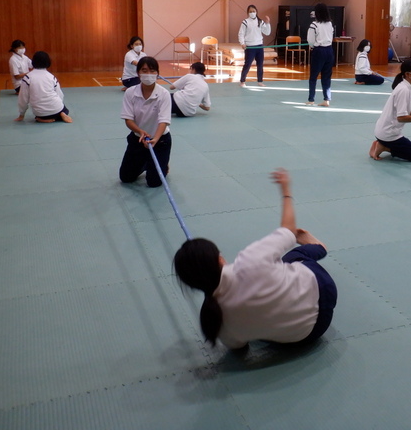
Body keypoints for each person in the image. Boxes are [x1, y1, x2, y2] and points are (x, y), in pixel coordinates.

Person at [173, 168, 337, 349]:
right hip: (324, 294)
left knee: (259, 323)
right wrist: (286, 190)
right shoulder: (251, 260)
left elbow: (238, 347)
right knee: (293, 257)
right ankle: (318, 247)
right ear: (220, 260)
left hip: (304, 336)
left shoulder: (214, 319)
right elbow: (289, 230)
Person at [119, 56, 172, 187]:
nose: (148, 74)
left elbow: (164, 121)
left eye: (152, 71)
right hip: (138, 139)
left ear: (157, 74)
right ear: (138, 73)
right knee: (126, 177)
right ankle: (146, 161)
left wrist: (155, 139)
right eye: (144, 70)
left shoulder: (164, 94)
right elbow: (128, 119)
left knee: (154, 182)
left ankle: (162, 164)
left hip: (160, 140)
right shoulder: (130, 93)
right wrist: (140, 131)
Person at [370, 59, 411, 162]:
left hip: (382, 131)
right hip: (388, 134)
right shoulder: (404, 90)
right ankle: (384, 147)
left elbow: (398, 109)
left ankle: (382, 143)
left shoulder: (405, 86)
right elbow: (401, 118)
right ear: (408, 74)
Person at [15, 51, 72, 123]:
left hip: (41, 113)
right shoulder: (51, 77)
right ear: (48, 62)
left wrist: (22, 114)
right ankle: (59, 115)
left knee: (38, 116)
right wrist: (59, 105)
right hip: (57, 108)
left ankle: (44, 119)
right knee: (65, 110)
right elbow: (60, 94)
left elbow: (23, 98)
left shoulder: (27, 78)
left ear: (33, 62)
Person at [305, 3, 335, 106]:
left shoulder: (314, 25)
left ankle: (311, 99)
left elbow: (310, 40)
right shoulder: (330, 24)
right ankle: (327, 99)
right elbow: (331, 36)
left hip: (319, 51)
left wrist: (313, 46)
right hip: (329, 50)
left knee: (313, 76)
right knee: (326, 76)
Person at [238, 4, 271, 87]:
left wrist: (267, 23)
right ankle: (242, 81)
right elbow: (241, 34)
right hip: (250, 47)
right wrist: (242, 43)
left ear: (256, 12)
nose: (252, 13)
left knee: (260, 64)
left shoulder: (260, 22)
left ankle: (260, 81)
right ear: (248, 13)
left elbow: (267, 32)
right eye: (250, 11)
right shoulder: (245, 22)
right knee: (247, 64)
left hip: (259, 46)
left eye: (254, 11)